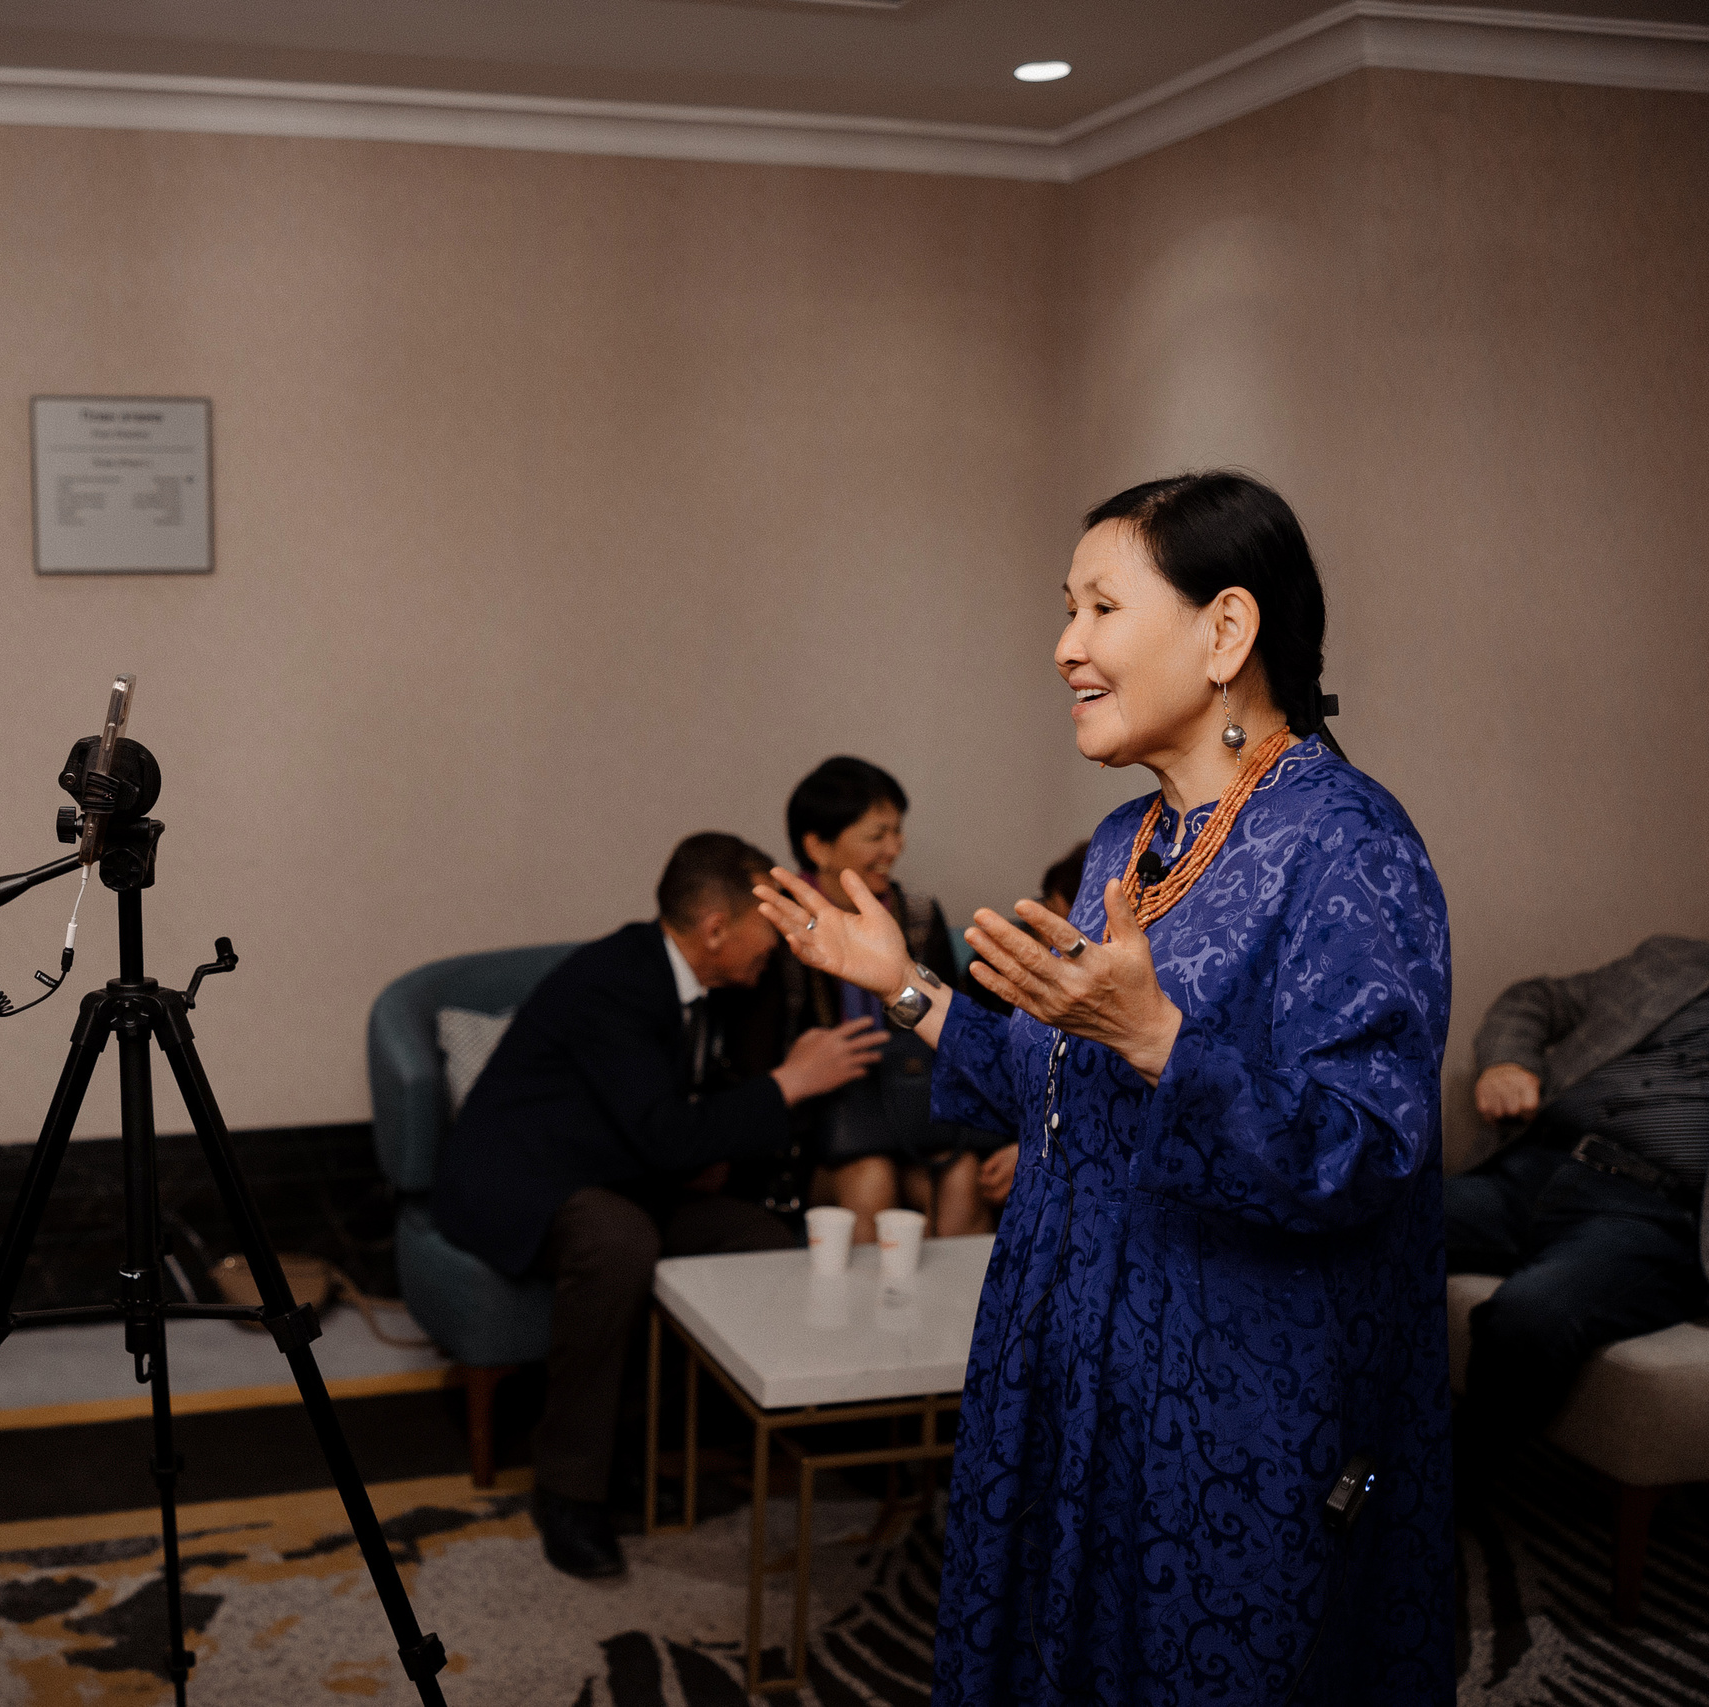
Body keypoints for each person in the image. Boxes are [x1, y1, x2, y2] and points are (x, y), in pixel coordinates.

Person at [758, 470, 1451, 1704]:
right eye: (1064, 611)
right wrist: (906, 987)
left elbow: (1363, 1152)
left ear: (1225, 631)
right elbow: (1057, 1095)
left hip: (1230, 1402)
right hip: (1070, 1359)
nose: (1065, 647)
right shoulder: (1130, 846)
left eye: (1099, 608)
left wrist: (1163, 1039)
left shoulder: (1346, 843)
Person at [433, 832, 878, 1580]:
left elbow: (660, 1126)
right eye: (763, 925)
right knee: (619, 1241)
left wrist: (697, 1150)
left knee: (755, 1240)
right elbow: (662, 1132)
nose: (772, 944)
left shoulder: (715, 988)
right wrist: (790, 1082)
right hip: (521, 1177)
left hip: (616, 1168)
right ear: (714, 928)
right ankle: (569, 1490)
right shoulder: (619, 978)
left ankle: (630, 1439)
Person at [1448, 935, 1709, 1476]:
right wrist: (1505, 1062)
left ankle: (1440, 1496)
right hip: (1530, 1167)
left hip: (1650, 1216)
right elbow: (1535, 997)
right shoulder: (1671, 961)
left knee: (1531, 1316)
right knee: (1370, 1225)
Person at [778, 756, 1013, 1241]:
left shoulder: (918, 916)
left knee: (961, 1178)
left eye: (897, 831)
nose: (895, 848)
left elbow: (951, 1026)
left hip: (914, 1112)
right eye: (876, 835)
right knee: (872, 1178)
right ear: (817, 846)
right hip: (824, 1131)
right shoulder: (778, 927)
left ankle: (958, 1318)